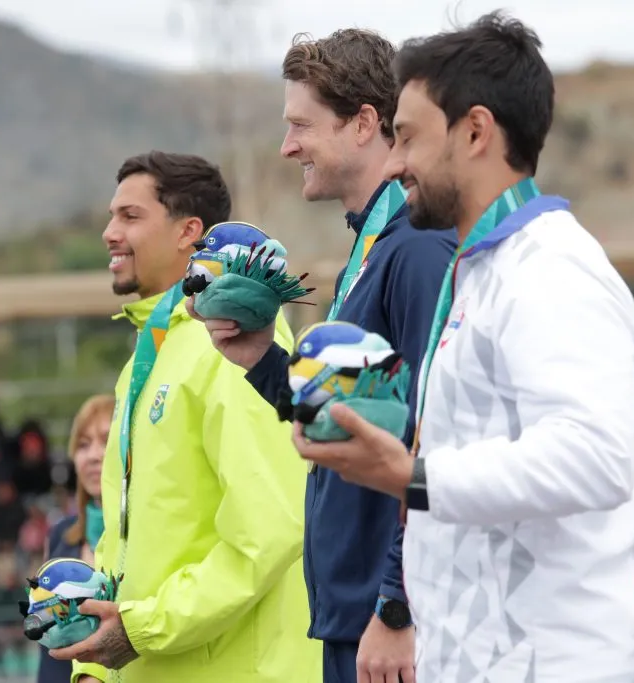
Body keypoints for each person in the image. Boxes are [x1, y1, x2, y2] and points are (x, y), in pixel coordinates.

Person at [292, 12, 634, 681]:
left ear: (476, 131)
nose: (394, 163)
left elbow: (599, 458)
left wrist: (411, 475)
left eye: (407, 138)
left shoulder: (552, 270)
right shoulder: (481, 268)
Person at [188, 29, 454, 683]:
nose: (287, 147)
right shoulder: (371, 249)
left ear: (365, 123)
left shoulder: (416, 250)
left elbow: (434, 431)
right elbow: (344, 421)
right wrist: (256, 354)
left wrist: (397, 604)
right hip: (348, 614)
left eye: (301, 125)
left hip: (383, 620)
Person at [50, 151, 320, 682]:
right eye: (111, 215)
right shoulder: (148, 356)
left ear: (188, 232)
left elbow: (268, 531)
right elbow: (123, 540)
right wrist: (96, 669)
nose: (109, 232)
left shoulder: (232, 340)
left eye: (130, 216)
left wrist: (139, 630)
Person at [37, 393, 114, 683]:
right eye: (83, 444)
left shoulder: (146, 534)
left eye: (105, 441)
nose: (94, 455)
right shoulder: (61, 534)